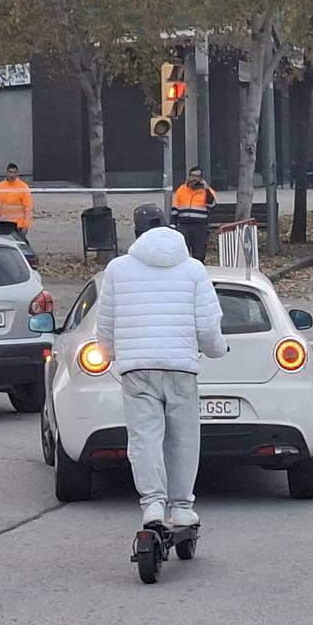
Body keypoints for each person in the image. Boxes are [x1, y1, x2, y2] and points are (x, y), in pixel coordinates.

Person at [94, 203, 227, 528]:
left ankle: (152, 505)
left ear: (136, 233)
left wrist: (107, 353)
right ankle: (182, 506)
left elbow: (106, 322)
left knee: (144, 438)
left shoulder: (117, 269)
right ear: (169, 227)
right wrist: (217, 350)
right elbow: (208, 327)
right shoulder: (193, 269)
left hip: (136, 369)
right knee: (183, 438)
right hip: (181, 366)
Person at [171, 166, 218, 262]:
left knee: (199, 254)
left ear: (201, 179)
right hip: (184, 226)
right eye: (192, 176)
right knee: (182, 253)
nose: (194, 178)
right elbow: (175, 208)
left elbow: (212, 206)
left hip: (200, 227)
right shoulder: (181, 190)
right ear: (188, 177)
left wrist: (206, 190)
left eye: (197, 176)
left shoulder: (208, 191)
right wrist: (173, 225)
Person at [0, 163, 33, 238]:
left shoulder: (23, 187)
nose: (12, 175)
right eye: (10, 172)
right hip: (3, 224)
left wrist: (26, 225)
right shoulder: (1, 186)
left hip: (17, 226)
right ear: (6, 172)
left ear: (18, 173)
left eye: (14, 172)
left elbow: (28, 208)